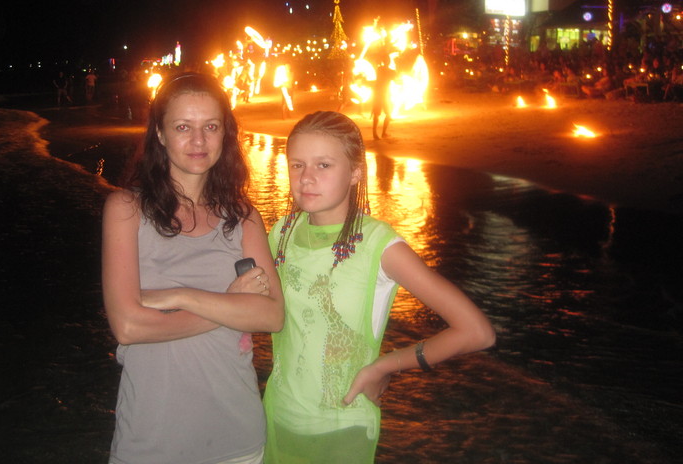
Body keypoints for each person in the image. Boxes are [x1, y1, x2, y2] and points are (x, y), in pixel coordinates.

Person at [263, 111, 496, 464]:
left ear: (355, 171)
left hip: (341, 427)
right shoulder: (281, 232)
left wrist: (386, 367)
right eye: (297, 165)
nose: (306, 178)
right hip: (276, 416)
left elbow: (476, 332)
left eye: (323, 165)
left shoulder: (379, 247)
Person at [101, 72, 284, 464]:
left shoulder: (244, 217)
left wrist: (183, 296)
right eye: (183, 127)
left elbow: (271, 315)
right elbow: (129, 327)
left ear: (225, 134)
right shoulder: (126, 211)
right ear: (161, 135)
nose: (198, 141)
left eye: (210, 127)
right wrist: (228, 305)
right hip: (151, 442)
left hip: (237, 440)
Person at [372, 62, 395, 140]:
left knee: (376, 114)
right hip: (383, 95)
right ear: (388, 62)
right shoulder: (390, 71)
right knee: (387, 114)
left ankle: (375, 133)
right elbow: (395, 78)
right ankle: (382, 133)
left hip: (378, 94)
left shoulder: (379, 70)